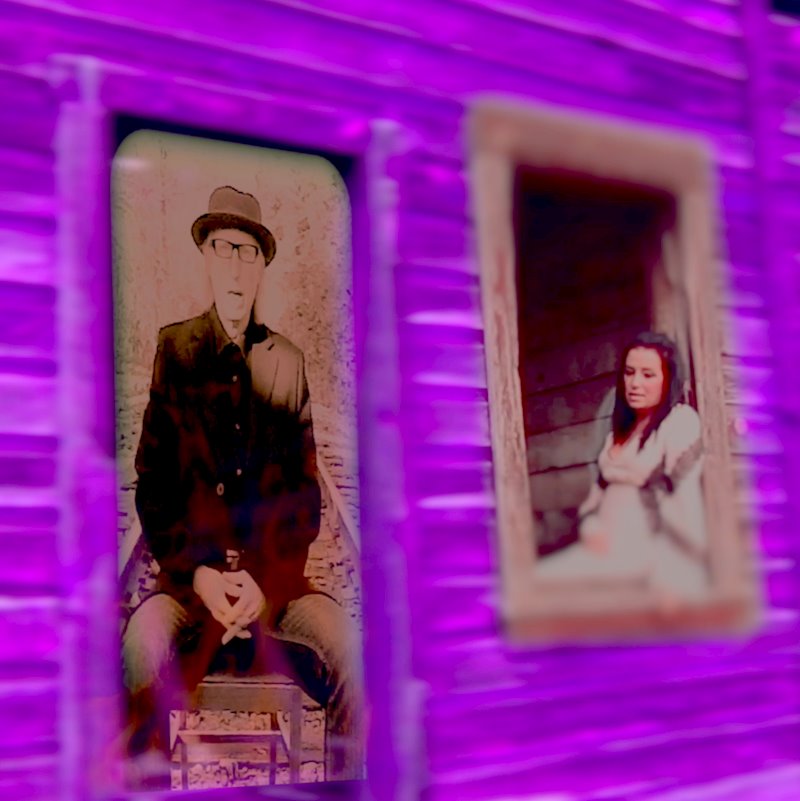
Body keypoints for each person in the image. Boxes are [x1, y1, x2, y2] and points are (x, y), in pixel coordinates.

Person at [121, 185, 363, 785]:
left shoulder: (287, 362)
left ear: (261, 266)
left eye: (248, 252)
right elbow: (153, 487)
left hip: (275, 591)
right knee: (138, 652)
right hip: (187, 591)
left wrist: (261, 578)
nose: (235, 266)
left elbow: (304, 500)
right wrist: (200, 573)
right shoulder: (175, 350)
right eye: (223, 249)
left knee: (356, 660)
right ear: (206, 256)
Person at [535, 332, 709, 603]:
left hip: (643, 551)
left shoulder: (679, 422)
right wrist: (590, 524)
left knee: (544, 588)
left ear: (668, 379)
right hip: (600, 546)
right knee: (536, 580)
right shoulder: (621, 430)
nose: (635, 383)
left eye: (648, 375)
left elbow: (685, 499)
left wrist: (677, 571)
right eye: (629, 372)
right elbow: (597, 495)